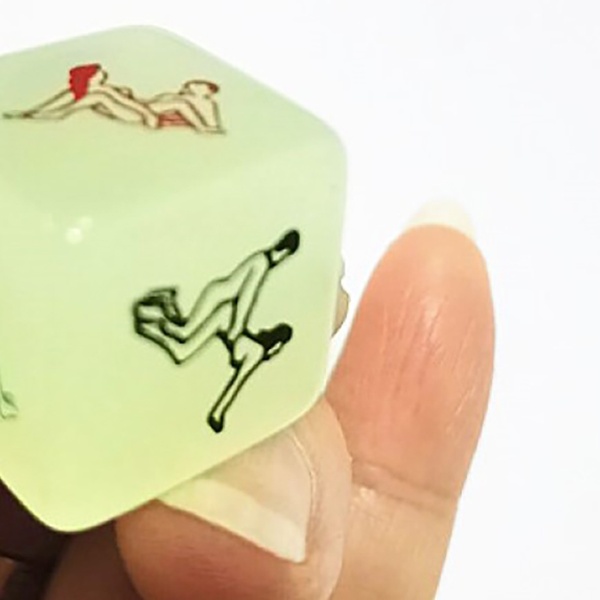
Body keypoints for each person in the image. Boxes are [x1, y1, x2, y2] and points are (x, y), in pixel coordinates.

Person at [0, 204, 495, 600]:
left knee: (188, 353)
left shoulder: (247, 319)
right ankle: (153, 320)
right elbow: (228, 313)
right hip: (205, 319)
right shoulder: (248, 284)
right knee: (187, 349)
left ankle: (155, 320)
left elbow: (214, 359)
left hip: (192, 345)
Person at [132, 229, 300, 431]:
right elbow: (246, 298)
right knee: (183, 332)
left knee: (182, 345)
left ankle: (156, 319)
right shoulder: (262, 263)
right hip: (219, 298)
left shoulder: (255, 349)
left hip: (223, 307)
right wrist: (237, 328)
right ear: (285, 252)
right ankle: (159, 310)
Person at [3, 64, 224, 133]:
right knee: (97, 94)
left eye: (198, 86)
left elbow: (208, 122)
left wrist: (146, 112)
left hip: (142, 114)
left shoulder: (204, 102)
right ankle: (40, 114)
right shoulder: (92, 90)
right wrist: (32, 110)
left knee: (101, 94)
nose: (103, 73)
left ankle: (53, 115)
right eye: (99, 73)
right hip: (138, 111)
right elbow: (61, 96)